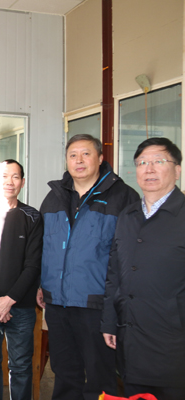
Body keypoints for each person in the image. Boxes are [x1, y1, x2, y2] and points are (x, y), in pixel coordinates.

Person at [37, 134, 139, 400]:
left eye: (86, 154)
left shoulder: (123, 197)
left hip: (98, 304)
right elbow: (43, 247)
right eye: (73, 155)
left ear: (100, 158)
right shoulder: (54, 197)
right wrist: (41, 284)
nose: (79, 160)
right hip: (57, 304)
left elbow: (130, 257)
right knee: (63, 374)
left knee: (100, 377)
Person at [101, 138, 185, 400]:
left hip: (174, 345)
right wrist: (109, 322)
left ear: (177, 170)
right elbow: (114, 273)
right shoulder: (127, 215)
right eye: (142, 163)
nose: (149, 169)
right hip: (131, 341)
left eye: (159, 161)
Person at [0, 160, 42, 400]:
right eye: (4, 176)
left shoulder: (33, 217)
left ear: (22, 182)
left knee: (21, 366)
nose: (9, 182)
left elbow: (33, 265)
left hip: (20, 307)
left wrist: (9, 300)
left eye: (15, 177)